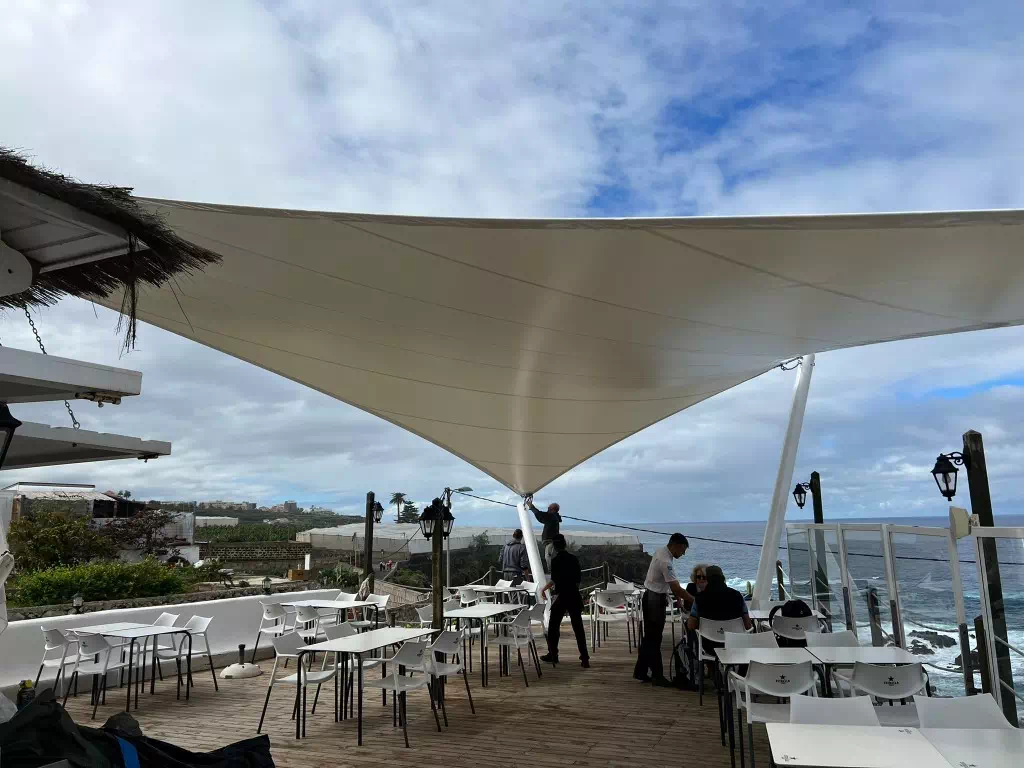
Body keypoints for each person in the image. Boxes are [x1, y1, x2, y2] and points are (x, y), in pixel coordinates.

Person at [634, 532, 691, 685]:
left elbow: (671, 584)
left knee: (649, 638)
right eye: (683, 550)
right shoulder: (666, 561)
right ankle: (657, 676)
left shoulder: (661, 551)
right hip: (655, 600)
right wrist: (694, 600)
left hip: (651, 596)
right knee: (654, 638)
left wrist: (678, 599)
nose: (683, 554)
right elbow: (676, 587)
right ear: (676, 545)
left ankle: (641, 671)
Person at [539, 534, 589, 668]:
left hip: (561, 595)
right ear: (565, 544)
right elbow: (578, 579)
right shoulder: (573, 559)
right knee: (578, 627)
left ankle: (553, 654)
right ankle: (584, 658)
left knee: (553, 626)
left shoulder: (556, 560)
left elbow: (554, 580)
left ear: (554, 547)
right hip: (573, 594)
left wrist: (544, 589)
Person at [687, 564, 752, 654]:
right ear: (723, 578)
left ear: (708, 580)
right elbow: (748, 625)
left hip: (708, 647)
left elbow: (691, 625)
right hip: (734, 645)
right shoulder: (737, 595)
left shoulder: (699, 598)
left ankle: (705, 663)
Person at [526, 495, 561, 570]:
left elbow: (540, 515)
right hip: (551, 542)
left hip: (551, 542)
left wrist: (531, 507)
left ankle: (553, 573)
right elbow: (542, 516)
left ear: (553, 510)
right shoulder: (553, 517)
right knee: (549, 557)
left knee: (549, 557)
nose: (547, 508)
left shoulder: (552, 516)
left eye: (549, 508)